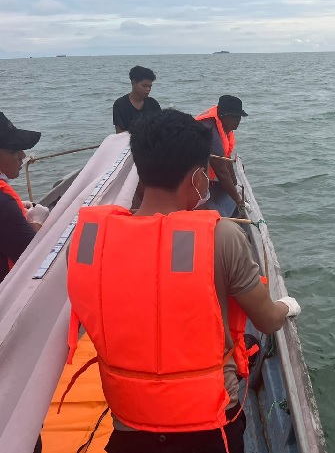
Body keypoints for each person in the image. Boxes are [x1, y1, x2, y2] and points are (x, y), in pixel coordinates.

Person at [65, 109, 300, 453]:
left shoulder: (88, 241)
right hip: (209, 429)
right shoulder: (222, 237)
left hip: (129, 428)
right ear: (197, 177)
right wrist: (287, 307)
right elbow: (265, 319)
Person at [0, 112, 50, 283]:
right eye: (14, 150)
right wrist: (37, 221)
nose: (22, 155)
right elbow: (34, 259)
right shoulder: (4, 206)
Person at [195, 95, 248, 215]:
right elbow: (222, 172)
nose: (238, 120)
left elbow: (226, 158)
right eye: (235, 117)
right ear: (224, 116)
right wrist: (239, 202)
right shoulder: (211, 132)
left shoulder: (222, 126)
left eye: (240, 117)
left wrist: (235, 185)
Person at [112, 66, 162, 133]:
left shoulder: (153, 104)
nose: (148, 89)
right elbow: (119, 133)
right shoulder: (120, 104)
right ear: (133, 83)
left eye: (150, 86)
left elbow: (160, 128)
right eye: (144, 86)